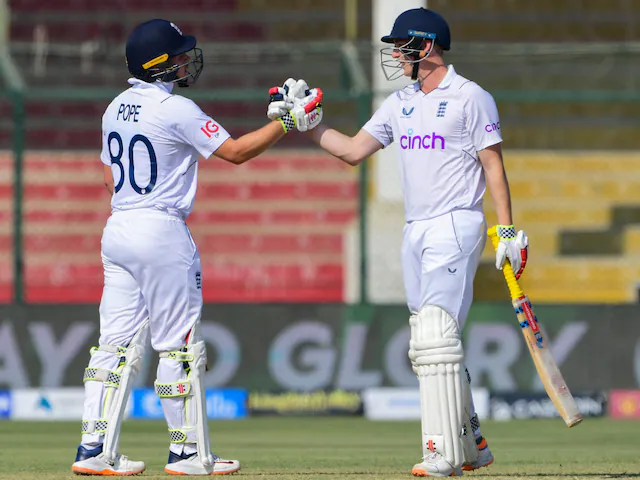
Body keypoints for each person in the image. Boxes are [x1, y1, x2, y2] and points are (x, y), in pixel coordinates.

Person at [277, 7, 529, 477]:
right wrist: (307, 124)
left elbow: (494, 166)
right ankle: (473, 443)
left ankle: (442, 454)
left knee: (435, 334)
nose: (394, 53)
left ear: (425, 46)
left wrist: (508, 230)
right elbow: (352, 151)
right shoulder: (401, 101)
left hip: (456, 224)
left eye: (400, 45)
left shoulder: (471, 97)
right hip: (415, 229)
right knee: (429, 343)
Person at [71, 19, 322, 476]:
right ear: (158, 64)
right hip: (161, 231)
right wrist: (288, 121)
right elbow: (237, 152)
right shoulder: (176, 108)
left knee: (114, 347)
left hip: (119, 226)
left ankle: (93, 451)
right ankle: (188, 454)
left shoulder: (115, 107)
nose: (186, 61)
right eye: (178, 55)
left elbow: (107, 175)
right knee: (178, 348)